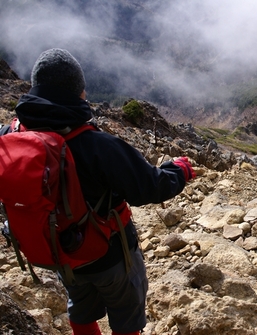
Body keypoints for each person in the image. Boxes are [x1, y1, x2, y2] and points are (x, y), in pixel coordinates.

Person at [0, 48, 195, 335]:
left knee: (79, 307)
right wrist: (180, 170)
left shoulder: (10, 136)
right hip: (110, 254)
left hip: (56, 249)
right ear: (79, 93)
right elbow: (149, 187)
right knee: (126, 316)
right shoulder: (97, 145)